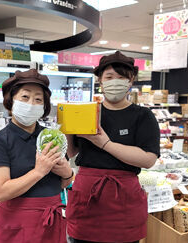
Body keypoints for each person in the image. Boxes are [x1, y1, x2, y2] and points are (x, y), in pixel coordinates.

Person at [66, 51, 160, 243]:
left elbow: (148, 159)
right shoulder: (86, 112)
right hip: (86, 197)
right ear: (100, 80)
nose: (114, 82)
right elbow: (71, 152)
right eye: (109, 77)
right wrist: (68, 129)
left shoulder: (143, 116)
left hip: (123, 198)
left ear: (130, 81)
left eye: (121, 77)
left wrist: (106, 144)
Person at [0, 69, 73, 243]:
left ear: (44, 107)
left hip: (51, 222)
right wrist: (38, 171)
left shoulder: (51, 137)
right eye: (25, 97)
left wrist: (67, 173)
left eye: (38, 99)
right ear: (11, 101)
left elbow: (61, 183)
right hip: (16, 226)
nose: (31, 103)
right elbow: (0, 192)